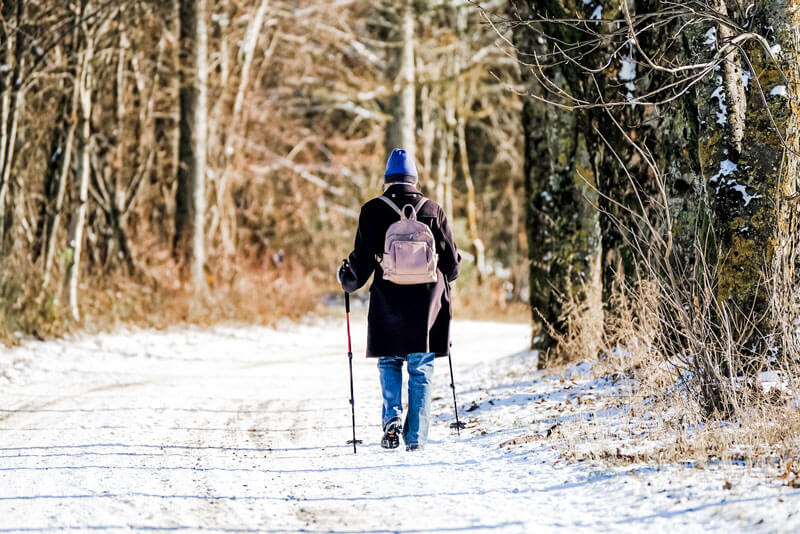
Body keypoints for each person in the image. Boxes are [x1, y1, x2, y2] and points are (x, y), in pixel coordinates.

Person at [338, 148, 461, 451]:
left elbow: (362, 263)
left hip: (388, 298)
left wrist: (347, 279)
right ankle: (416, 438)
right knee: (421, 368)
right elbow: (452, 265)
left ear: (387, 180)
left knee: (390, 361)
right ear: (414, 180)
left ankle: (391, 419)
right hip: (427, 302)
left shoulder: (372, 210)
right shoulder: (433, 209)